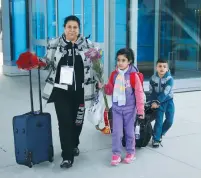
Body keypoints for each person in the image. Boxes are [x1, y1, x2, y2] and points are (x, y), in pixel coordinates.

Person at [40, 15, 100, 168]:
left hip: (81, 91)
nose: (72, 30)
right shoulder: (55, 44)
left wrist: (100, 80)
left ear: (79, 29)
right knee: (64, 122)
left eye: (75, 27)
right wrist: (37, 63)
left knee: (77, 122)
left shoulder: (88, 45)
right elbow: (47, 63)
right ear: (64, 28)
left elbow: (96, 66)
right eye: (69, 27)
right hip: (61, 91)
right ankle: (67, 156)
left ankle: (74, 143)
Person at [104, 48, 144, 166]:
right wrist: (104, 87)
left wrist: (140, 111)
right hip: (116, 109)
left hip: (130, 109)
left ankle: (130, 152)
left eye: (123, 60)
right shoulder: (114, 74)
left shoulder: (133, 75)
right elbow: (110, 90)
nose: (120, 63)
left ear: (129, 61)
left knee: (129, 132)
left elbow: (139, 93)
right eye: (118, 60)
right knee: (116, 132)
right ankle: (116, 154)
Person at [149, 59, 175, 148]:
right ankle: (156, 139)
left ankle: (160, 133)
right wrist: (153, 101)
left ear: (167, 69)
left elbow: (166, 92)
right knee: (159, 121)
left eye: (164, 66)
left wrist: (157, 101)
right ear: (156, 67)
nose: (162, 68)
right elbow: (151, 92)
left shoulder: (170, 79)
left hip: (168, 101)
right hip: (158, 103)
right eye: (160, 66)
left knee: (169, 121)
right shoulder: (152, 78)